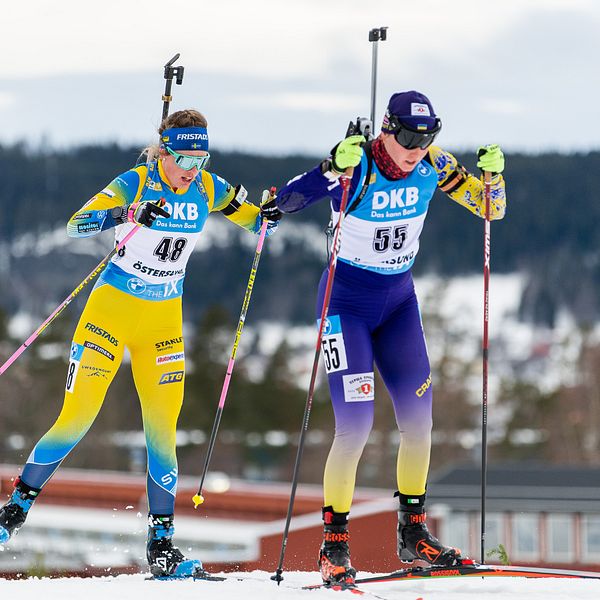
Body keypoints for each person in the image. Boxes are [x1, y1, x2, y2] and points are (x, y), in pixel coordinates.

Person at [0, 109, 282, 579]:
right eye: (186, 159)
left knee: (162, 429)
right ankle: (13, 513)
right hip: (111, 310)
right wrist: (127, 213)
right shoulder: (134, 180)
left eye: (202, 158)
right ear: (165, 152)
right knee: (77, 418)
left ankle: (162, 545)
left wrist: (268, 214)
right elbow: (76, 224)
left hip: (163, 320)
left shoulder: (207, 187)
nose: (194, 168)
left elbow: (255, 220)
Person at [272, 91, 506, 585]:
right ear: (385, 129)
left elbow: (491, 209)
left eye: (426, 138)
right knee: (355, 425)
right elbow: (283, 202)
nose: (416, 148)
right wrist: (331, 165)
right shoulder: (356, 166)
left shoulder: (434, 164)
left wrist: (494, 178)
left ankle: (413, 535)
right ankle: (333, 544)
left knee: (420, 420)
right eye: (406, 137)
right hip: (345, 305)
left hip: (398, 303)